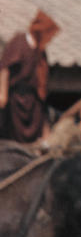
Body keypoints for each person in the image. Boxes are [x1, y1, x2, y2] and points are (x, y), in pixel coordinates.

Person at [0, 9, 58, 144]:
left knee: (39, 123)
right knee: (14, 131)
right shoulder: (20, 41)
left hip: (33, 98)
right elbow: (5, 68)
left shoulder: (40, 51)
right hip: (16, 96)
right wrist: (2, 93)